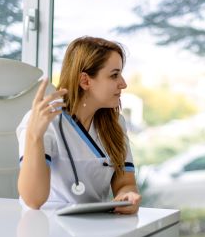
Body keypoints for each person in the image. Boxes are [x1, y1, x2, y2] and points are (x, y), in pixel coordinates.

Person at [17, 36, 141, 214]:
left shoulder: (115, 123)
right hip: (44, 227)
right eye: (114, 75)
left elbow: (125, 183)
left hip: (93, 226)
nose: (123, 83)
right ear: (85, 81)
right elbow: (33, 200)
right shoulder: (45, 121)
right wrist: (33, 136)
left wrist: (127, 197)